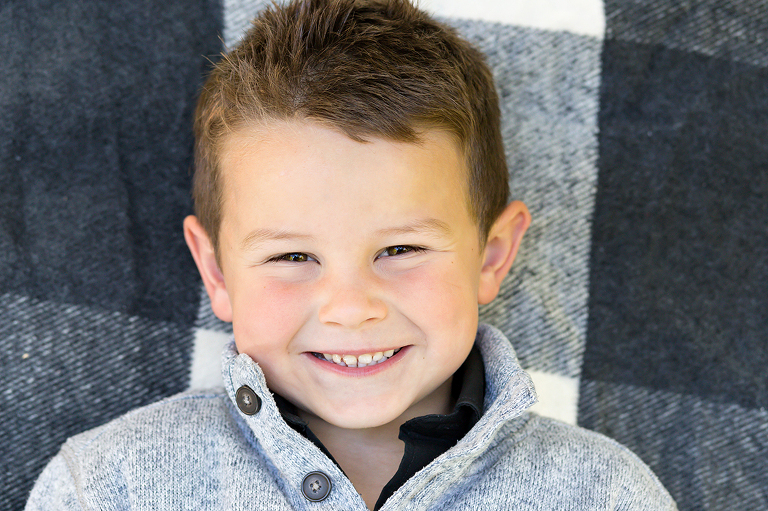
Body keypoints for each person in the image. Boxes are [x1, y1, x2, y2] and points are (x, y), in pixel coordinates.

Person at [26, 0, 677, 509]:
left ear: (492, 254)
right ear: (217, 272)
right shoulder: (112, 487)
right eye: (292, 257)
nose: (349, 307)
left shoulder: (606, 494)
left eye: (399, 248)